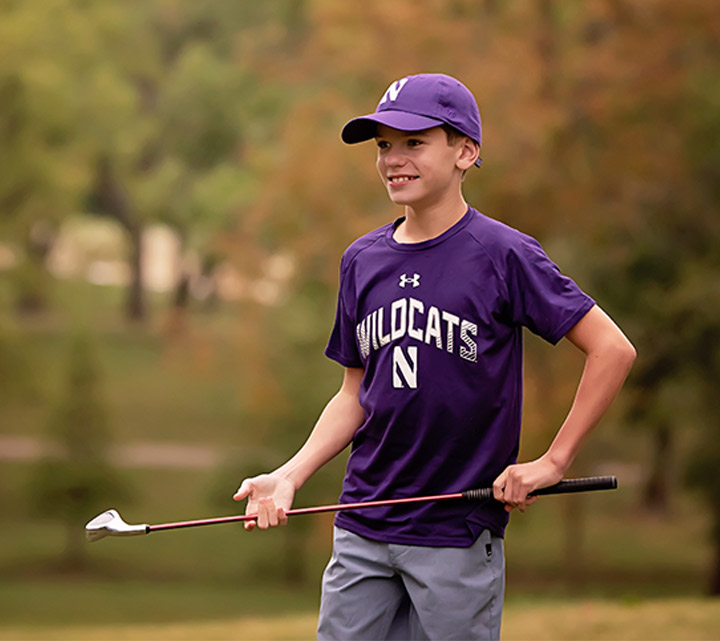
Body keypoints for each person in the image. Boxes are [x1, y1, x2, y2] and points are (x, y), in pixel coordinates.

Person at [233, 73, 636, 640]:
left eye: (414, 142)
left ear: (465, 152)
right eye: (383, 146)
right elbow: (354, 395)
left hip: (456, 536)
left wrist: (553, 461)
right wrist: (289, 475)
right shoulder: (362, 260)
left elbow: (612, 350)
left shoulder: (503, 254)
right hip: (362, 527)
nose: (394, 159)